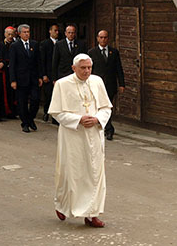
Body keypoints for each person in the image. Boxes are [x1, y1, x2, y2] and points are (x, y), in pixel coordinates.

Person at [48, 53, 112, 228]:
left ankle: (92, 214)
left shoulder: (97, 81)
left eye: (89, 67)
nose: (87, 71)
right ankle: (62, 204)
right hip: (73, 135)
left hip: (94, 133)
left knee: (95, 173)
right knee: (72, 172)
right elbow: (57, 112)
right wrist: (78, 120)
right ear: (74, 68)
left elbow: (106, 107)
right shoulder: (62, 84)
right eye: (83, 68)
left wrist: (98, 119)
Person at [87, 30, 125, 141]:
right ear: (97, 38)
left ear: (108, 39)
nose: (103, 40)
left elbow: (119, 69)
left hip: (110, 85)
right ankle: (105, 127)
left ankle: (108, 129)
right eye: (101, 37)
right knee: (98, 107)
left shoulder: (114, 52)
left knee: (107, 107)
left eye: (105, 37)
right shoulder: (92, 52)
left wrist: (121, 84)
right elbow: (89, 70)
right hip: (97, 85)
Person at [9, 24, 42, 133]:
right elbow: (12, 64)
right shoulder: (15, 46)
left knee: (35, 100)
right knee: (22, 103)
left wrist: (40, 76)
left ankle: (30, 118)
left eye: (28, 32)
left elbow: (38, 62)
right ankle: (25, 123)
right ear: (19, 33)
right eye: (24, 32)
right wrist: (13, 80)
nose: (27, 34)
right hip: (21, 79)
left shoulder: (34, 44)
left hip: (33, 78)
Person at [40, 24, 59, 122]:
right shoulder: (45, 44)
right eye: (55, 30)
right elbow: (42, 60)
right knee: (48, 95)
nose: (57, 32)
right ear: (50, 31)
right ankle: (46, 112)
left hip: (57, 74)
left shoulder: (60, 43)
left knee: (57, 96)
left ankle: (55, 116)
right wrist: (44, 74)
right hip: (48, 73)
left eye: (57, 31)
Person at [3, 26, 17, 119]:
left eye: (12, 34)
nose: (10, 36)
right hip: (4, 71)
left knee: (14, 93)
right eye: (8, 34)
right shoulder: (2, 45)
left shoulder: (16, 44)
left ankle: (14, 111)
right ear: (5, 34)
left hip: (14, 71)